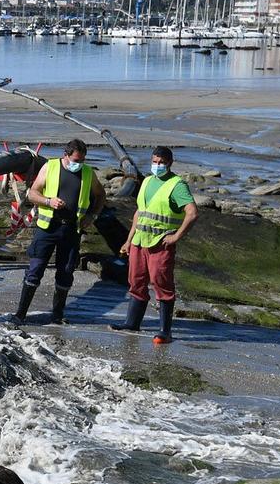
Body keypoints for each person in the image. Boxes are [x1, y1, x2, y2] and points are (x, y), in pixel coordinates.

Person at [12, 139, 101, 326]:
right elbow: (32, 193)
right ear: (65, 155)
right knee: (35, 271)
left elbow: (100, 195)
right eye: (75, 160)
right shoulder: (50, 167)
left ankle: (57, 315)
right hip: (48, 228)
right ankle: (20, 314)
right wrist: (48, 201)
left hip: (71, 229)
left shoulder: (87, 172)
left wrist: (92, 215)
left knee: (66, 272)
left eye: (82, 160)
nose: (78, 164)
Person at [118, 145, 198, 343]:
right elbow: (139, 212)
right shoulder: (146, 181)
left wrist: (176, 237)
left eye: (161, 163)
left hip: (160, 244)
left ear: (170, 163)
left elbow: (192, 213)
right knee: (136, 281)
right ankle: (132, 323)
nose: (157, 165)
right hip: (139, 241)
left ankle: (165, 331)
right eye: (155, 162)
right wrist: (128, 241)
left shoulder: (177, 185)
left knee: (161, 283)